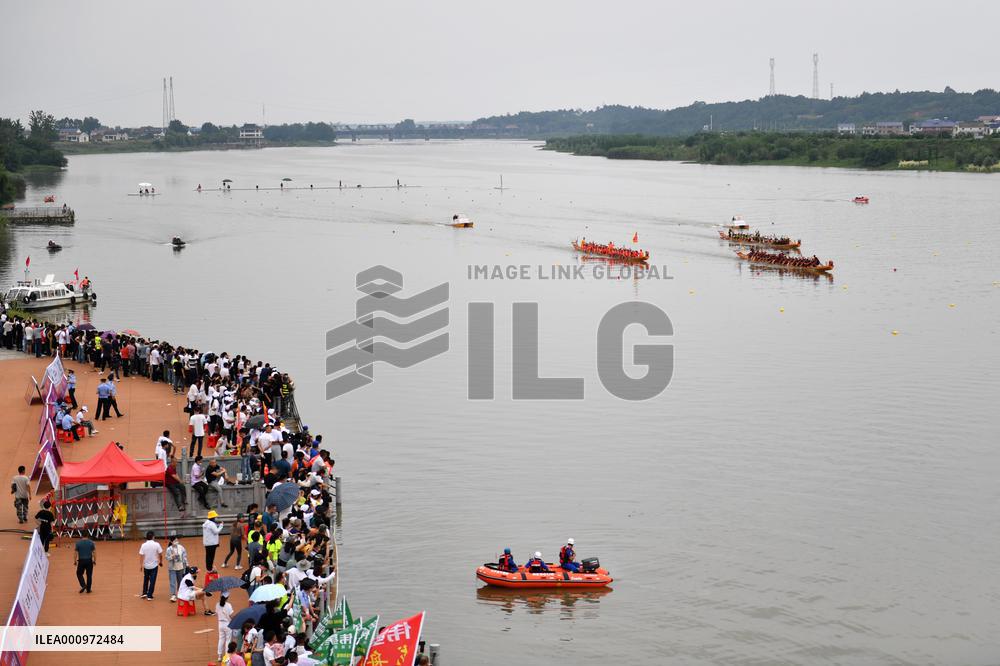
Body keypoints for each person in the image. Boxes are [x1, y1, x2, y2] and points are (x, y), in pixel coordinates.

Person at [139, 531, 163, 600]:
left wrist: (141, 565)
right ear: (153, 537)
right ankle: (149, 595)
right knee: (152, 580)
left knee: (146, 579)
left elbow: (141, 555)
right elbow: (160, 554)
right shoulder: (157, 544)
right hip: (154, 566)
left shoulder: (143, 545)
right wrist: (160, 561)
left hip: (146, 566)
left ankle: (144, 593)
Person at [165, 534, 189, 602]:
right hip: (172, 568)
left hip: (180, 567)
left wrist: (186, 564)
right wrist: (171, 557)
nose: (176, 541)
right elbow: (167, 557)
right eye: (175, 540)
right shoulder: (169, 549)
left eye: (177, 540)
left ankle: (180, 593)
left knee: (180, 581)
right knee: (172, 581)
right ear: (171, 541)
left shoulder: (181, 547)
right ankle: (173, 595)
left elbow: (185, 556)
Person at [216, 593, 234, 663]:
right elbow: (231, 615)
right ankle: (227, 656)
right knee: (228, 640)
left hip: (220, 623)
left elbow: (217, 612)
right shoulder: (228, 605)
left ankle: (219, 656)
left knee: (221, 639)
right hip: (227, 624)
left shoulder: (217, 604)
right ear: (227, 597)